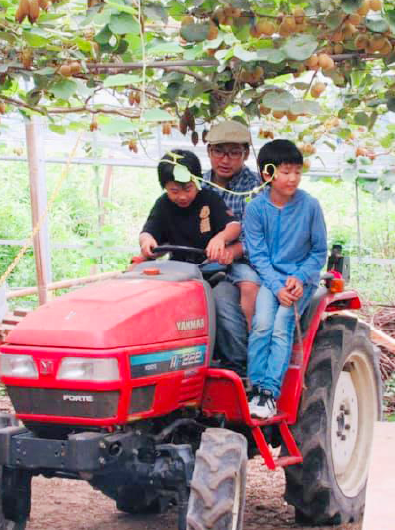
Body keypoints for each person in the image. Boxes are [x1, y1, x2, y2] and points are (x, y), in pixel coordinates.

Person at [243, 139, 327, 419]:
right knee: (262, 324)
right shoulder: (255, 209)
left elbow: (319, 251)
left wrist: (300, 278)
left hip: (301, 280)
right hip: (271, 280)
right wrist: (277, 286)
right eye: (285, 171)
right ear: (267, 174)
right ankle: (253, 388)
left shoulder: (310, 206)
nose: (293, 178)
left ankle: (269, 393)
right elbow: (258, 255)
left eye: (297, 172)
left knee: (282, 325)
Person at [203, 120, 262, 331]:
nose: (225, 160)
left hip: (243, 262)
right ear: (209, 151)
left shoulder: (256, 188)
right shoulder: (197, 185)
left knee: (247, 284)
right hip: (200, 258)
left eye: (234, 153)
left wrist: (234, 250)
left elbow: (258, 236)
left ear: (246, 154)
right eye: (218, 151)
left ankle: (249, 341)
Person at [139, 149, 241, 266]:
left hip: (210, 266)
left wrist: (221, 238)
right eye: (174, 191)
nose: (182, 197)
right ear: (164, 187)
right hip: (177, 267)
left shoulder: (210, 198)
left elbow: (234, 226)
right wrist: (146, 241)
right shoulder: (163, 204)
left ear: (198, 182)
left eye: (188, 189)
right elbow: (147, 232)